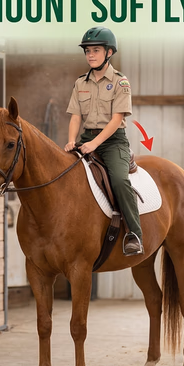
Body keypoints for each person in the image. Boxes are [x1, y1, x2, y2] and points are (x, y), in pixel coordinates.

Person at [64, 26, 142, 255]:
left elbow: (117, 119)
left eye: (95, 50)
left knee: (118, 179)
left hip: (113, 142)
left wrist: (95, 144)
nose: (90, 55)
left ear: (109, 53)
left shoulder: (120, 82)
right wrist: (71, 141)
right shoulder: (80, 83)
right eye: (87, 51)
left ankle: (134, 233)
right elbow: (75, 116)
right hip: (86, 138)